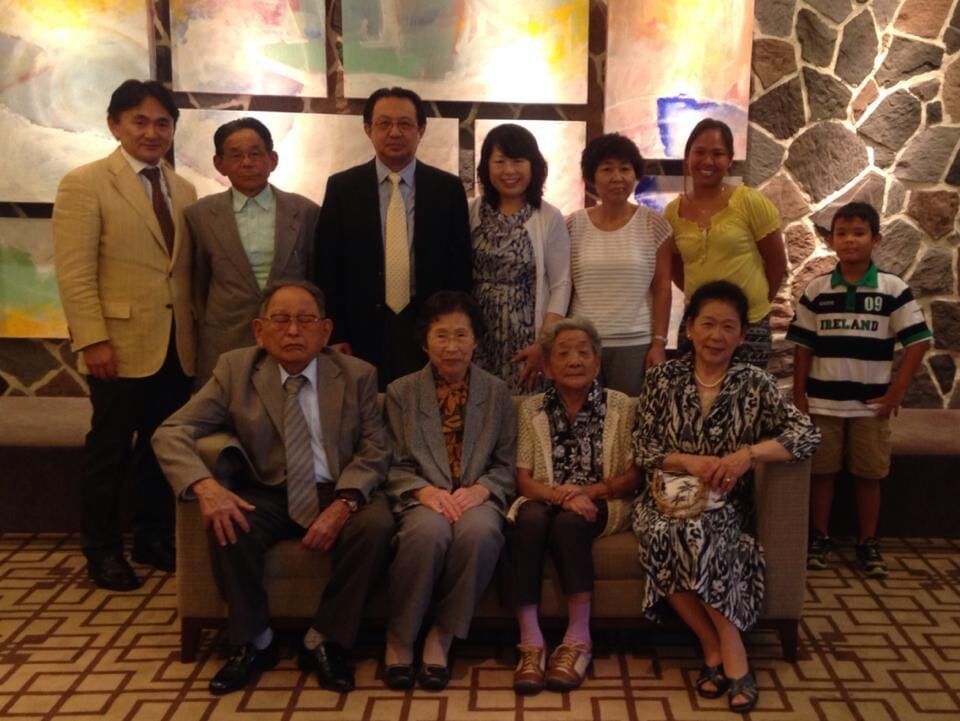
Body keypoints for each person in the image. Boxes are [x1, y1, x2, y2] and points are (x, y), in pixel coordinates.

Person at [152, 281, 394, 696]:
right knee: (229, 523)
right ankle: (254, 640)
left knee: (376, 526)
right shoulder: (235, 370)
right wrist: (205, 486)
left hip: (334, 486)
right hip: (266, 489)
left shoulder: (357, 375)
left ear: (326, 330)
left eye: (306, 320)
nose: (294, 331)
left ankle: (326, 638)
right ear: (260, 331)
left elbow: (376, 449)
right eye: (281, 320)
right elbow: (172, 430)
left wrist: (343, 503)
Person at [632, 281, 819, 714]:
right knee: (668, 532)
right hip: (666, 499)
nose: (717, 335)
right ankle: (726, 649)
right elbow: (643, 449)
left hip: (726, 503)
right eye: (708, 324)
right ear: (691, 329)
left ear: (740, 335)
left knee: (701, 531)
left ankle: (717, 654)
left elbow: (805, 433)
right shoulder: (663, 378)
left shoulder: (755, 383)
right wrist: (691, 462)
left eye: (728, 327)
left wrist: (747, 455)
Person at [52, 79, 198, 591]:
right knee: (110, 448)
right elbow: (74, 272)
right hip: (117, 343)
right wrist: (92, 339)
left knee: (162, 447)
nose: (152, 131)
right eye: (140, 120)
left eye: (162, 122)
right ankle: (102, 550)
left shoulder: (183, 188)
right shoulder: (85, 183)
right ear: (115, 124)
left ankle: (153, 536)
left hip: (176, 345)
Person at [787, 202, 932, 578]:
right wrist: (799, 395)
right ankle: (819, 537)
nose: (850, 240)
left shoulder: (892, 289)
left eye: (859, 233)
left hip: (871, 406)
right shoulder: (817, 291)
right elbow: (803, 346)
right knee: (822, 473)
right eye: (842, 233)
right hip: (822, 403)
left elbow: (918, 341)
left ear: (876, 239)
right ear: (832, 240)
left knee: (869, 475)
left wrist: (897, 392)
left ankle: (868, 541)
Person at [382, 291, 516, 691]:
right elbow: (392, 462)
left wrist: (483, 490)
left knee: (479, 532)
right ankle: (400, 637)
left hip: (476, 496)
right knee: (428, 532)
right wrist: (422, 492)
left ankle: (442, 634)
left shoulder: (497, 392)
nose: (452, 346)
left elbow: (507, 464)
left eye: (462, 335)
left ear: (476, 341)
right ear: (425, 342)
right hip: (424, 496)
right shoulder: (401, 393)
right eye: (441, 336)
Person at [507, 318, 639, 694]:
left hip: (601, 504)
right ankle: (530, 643)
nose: (575, 360)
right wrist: (561, 495)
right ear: (547, 366)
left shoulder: (620, 406)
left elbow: (633, 475)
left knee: (569, 523)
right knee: (528, 519)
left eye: (584, 352)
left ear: (598, 363)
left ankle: (578, 639)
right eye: (563, 353)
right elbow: (524, 477)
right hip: (547, 499)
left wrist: (592, 492)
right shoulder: (532, 408)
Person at [316, 86, 472, 389]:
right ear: (367, 129)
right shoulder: (342, 188)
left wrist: (454, 331)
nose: (394, 132)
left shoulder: (447, 189)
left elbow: (459, 268)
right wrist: (334, 334)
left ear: (421, 130)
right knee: (364, 413)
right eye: (384, 124)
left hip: (428, 325)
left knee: (425, 412)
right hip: (360, 326)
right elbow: (327, 267)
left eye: (405, 124)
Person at [187, 117, 320, 386]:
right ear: (219, 164)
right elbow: (197, 284)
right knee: (225, 416)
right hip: (225, 335)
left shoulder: (306, 212)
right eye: (236, 155)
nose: (247, 162)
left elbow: (316, 277)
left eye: (255, 153)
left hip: (291, 334)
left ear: (272, 159)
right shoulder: (199, 215)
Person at [665, 118, 786, 367]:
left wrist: (752, 304)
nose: (708, 161)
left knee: (746, 400)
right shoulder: (672, 212)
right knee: (693, 399)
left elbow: (776, 263)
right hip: (698, 325)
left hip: (749, 323)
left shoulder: (749, 201)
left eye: (717, 153)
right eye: (699, 152)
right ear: (687, 157)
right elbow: (677, 269)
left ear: (730, 159)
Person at [567, 133, 672, 395]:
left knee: (628, 422)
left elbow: (662, 287)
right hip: (582, 344)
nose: (617, 177)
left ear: (635, 175)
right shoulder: (571, 225)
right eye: (607, 169)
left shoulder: (654, 224)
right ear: (592, 177)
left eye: (625, 169)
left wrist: (659, 342)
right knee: (582, 423)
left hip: (635, 344)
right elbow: (562, 287)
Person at [469, 123, 571, 393]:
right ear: (486, 167)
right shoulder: (470, 211)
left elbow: (561, 285)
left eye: (518, 161)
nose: (509, 171)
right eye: (499, 161)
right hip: (477, 337)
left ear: (533, 166)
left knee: (524, 414)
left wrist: (543, 344)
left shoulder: (548, 217)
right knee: (479, 410)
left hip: (527, 339)